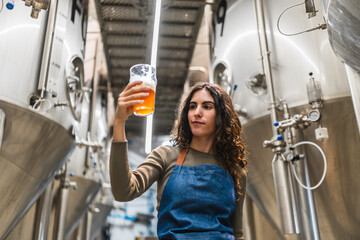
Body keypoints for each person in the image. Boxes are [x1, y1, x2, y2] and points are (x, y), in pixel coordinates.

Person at [110, 81, 248, 240]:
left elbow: (237, 233)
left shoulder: (235, 170)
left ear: (222, 116)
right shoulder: (166, 156)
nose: (197, 112)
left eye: (207, 106)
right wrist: (119, 122)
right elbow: (123, 192)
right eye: (192, 106)